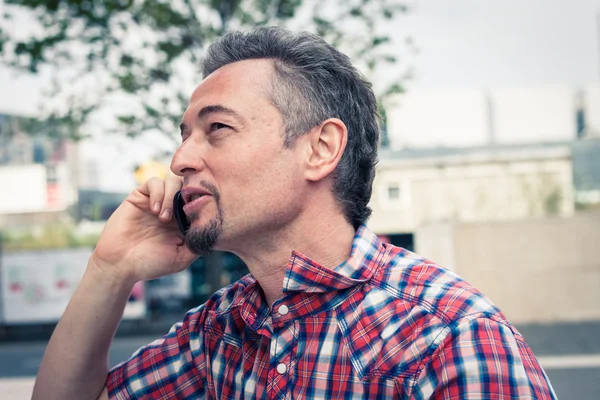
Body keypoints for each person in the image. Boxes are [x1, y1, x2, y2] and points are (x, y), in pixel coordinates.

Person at [33, 27, 557, 399]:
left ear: (320, 148)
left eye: (217, 128)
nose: (180, 160)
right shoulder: (222, 329)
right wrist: (110, 269)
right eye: (184, 135)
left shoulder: (448, 337)